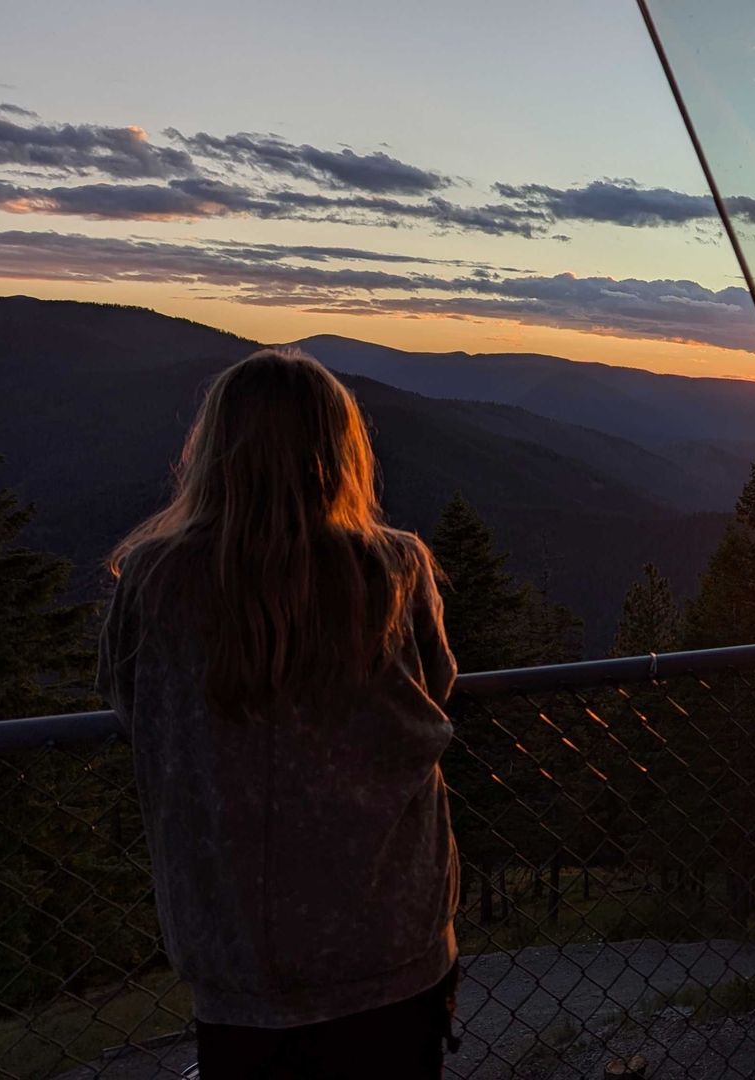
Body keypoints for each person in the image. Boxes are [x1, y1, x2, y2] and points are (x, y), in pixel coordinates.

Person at [98, 348, 461, 1078]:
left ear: (214, 450)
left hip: (233, 946)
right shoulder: (393, 568)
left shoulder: (154, 577)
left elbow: (129, 702)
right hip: (389, 930)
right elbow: (438, 683)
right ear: (338, 449)